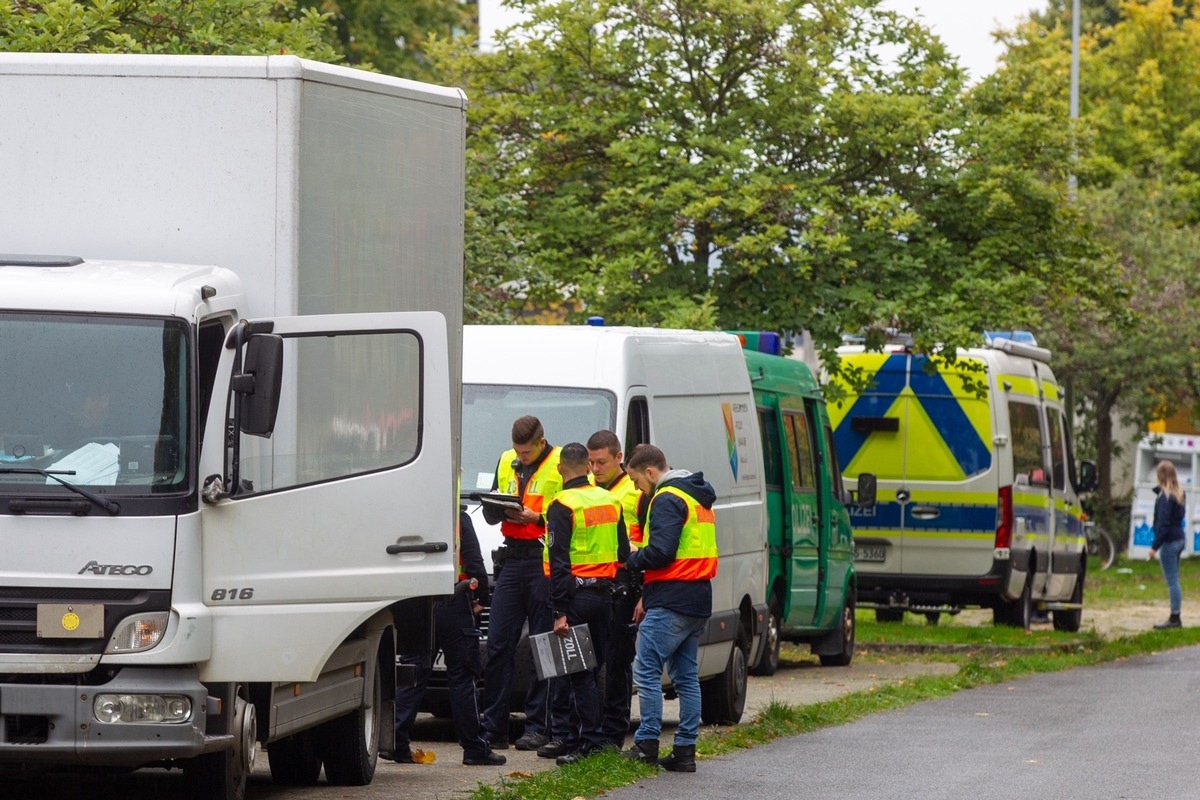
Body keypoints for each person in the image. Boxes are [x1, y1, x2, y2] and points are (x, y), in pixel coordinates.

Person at [622, 443, 717, 773]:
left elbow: (661, 552)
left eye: (636, 481)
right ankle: (685, 750)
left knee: (646, 668)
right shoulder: (695, 496)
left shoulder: (666, 498)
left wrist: (631, 558)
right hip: (697, 598)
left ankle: (647, 742)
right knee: (687, 677)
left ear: (650, 472)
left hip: (672, 597)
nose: (637, 488)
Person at [385, 510, 505, 766]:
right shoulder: (456, 516)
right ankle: (474, 748)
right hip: (453, 601)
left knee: (413, 673)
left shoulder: (404, 516)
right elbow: (473, 561)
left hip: (414, 601)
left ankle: (396, 741)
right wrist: (481, 598)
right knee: (462, 677)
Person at [541, 442, 629, 765]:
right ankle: (589, 737)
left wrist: (559, 611)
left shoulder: (562, 504)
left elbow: (559, 561)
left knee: (578, 673)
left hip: (575, 597)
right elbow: (623, 552)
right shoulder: (609, 500)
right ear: (588, 468)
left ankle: (589, 742)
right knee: (594, 671)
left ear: (562, 469)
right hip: (605, 597)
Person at [480, 415, 563, 751]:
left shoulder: (560, 463)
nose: (520, 458)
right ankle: (495, 726)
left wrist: (537, 518)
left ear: (541, 443)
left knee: (542, 645)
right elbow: (490, 509)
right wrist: (500, 509)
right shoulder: (505, 459)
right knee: (498, 643)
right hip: (512, 560)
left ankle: (537, 728)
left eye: (526, 453)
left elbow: (570, 512)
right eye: (518, 452)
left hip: (542, 559)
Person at [586, 430, 647, 750]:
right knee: (591, 660)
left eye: (602, 462)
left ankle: (613, 732)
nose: (595, 469)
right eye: (591, 462)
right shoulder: (587, 490)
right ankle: (589, 731)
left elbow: (651, 538)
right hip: (594, 583)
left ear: (618, 458)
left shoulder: (635, 491)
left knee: (618, 660)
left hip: (625, 580)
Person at [1149, 460, 1186, 629]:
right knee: (1175, 579)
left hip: (1170, 541)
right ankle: (1176, 615)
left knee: (1172, 581)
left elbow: (1163, 523)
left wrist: (1154, 546)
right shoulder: (1179, 494)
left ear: (1160, 475)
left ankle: (1175, 617)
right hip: (1180, 539)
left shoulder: (1165, 496)